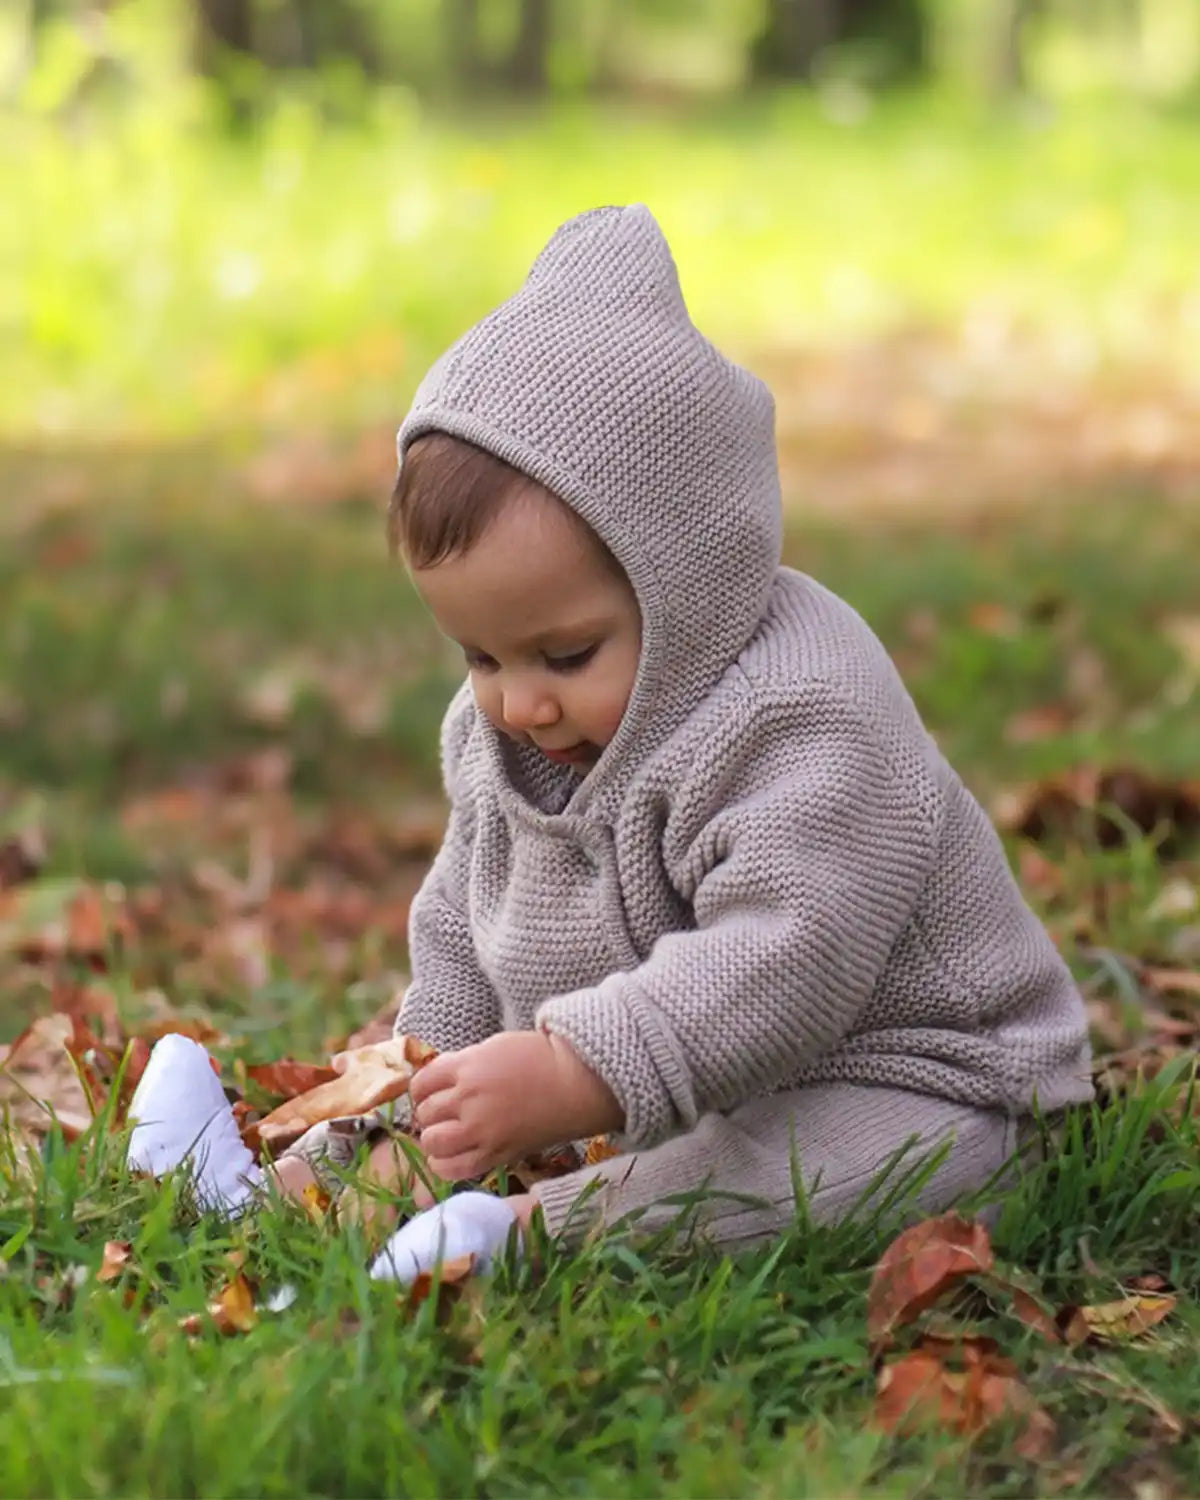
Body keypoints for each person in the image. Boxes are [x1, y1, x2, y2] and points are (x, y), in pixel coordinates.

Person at [128, 205, 1093, 1282]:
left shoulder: (805, 713)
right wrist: (431, 1076)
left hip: (926, 1079)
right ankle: (283, 1194)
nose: (515, 704)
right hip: (671, 1077)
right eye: (480, 656)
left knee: (845, 1164)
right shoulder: (512, 726)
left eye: (566, 653)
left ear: (688, 581)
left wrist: (574, 1068)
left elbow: (786, 956)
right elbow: (466, 916)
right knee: (494, 1115)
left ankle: (532, 1239)